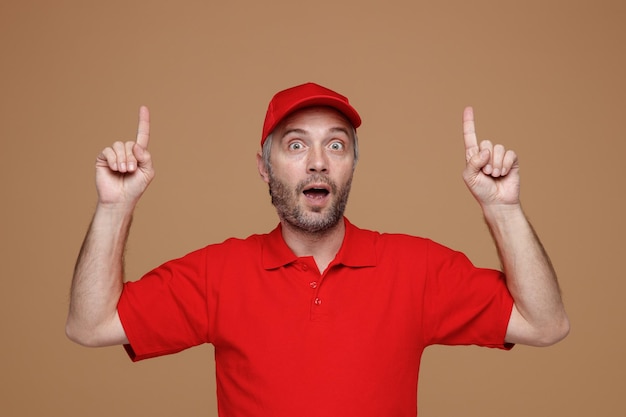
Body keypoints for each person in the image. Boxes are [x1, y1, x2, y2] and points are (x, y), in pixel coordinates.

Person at [66, 82, 569, 417]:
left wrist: (502, 209)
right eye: (294, 144)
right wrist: (115, 207)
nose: (317, 163)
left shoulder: (416, 269)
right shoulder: (217, 273)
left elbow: (544, 324)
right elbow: (91, 326)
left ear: (351, 164)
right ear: (264, 167)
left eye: (335, 144)